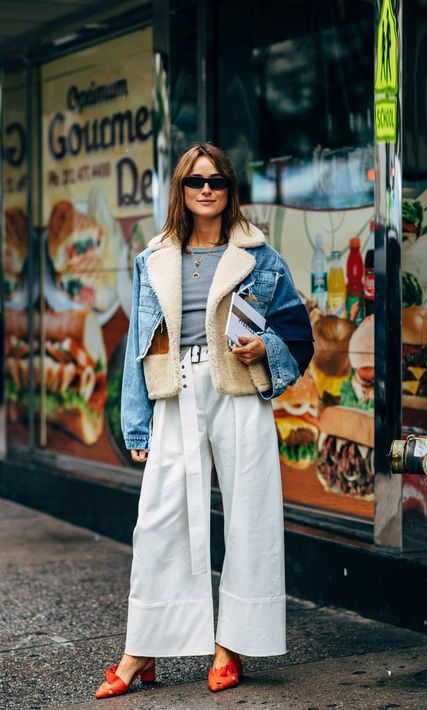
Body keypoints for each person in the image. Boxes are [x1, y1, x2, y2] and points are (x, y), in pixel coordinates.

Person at [95, 143, 314, 699]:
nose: (207, 189)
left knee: (250, 516)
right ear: (181, 191)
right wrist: (136, 425)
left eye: (216, 180)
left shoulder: (259, 256)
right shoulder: (155, 258)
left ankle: (230, 646)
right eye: (196, 182)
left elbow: (298, 332)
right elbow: (137, 352)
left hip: (237, 390)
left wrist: (263, 348)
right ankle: (142, 650)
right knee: (159, 520)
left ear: (229, 188)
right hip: (175, 390)